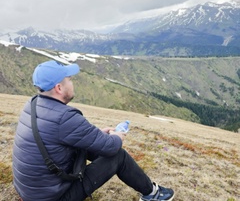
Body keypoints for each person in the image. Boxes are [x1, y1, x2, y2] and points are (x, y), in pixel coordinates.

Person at [12, 60, 174, 201]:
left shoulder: (32, 104)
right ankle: (152, 194)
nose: (72, 82)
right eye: (69, 79)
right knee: (118, 155)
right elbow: (111, 147)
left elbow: (60, 136)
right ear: (59, 88)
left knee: (94, 147)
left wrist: (97, 135)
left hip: (31, 192)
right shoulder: (65, 117)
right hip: (54, 197)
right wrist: (117, 136)